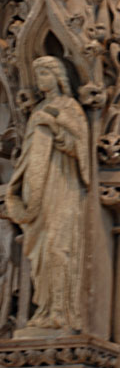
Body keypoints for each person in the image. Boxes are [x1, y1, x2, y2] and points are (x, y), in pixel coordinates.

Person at [6, 56, 89, 332]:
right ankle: (43, 309)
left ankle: (61, 311)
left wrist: (54, 126)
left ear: (57, 77)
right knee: (38, 250)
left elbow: (80, 147)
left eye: (44, 73)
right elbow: (28, 155)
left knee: (57, 246)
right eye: (37, 74)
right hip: (37, 189)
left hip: (62, 184)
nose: (40, 80)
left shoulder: (70, 107)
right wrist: (18, 191)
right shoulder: (39, 109)